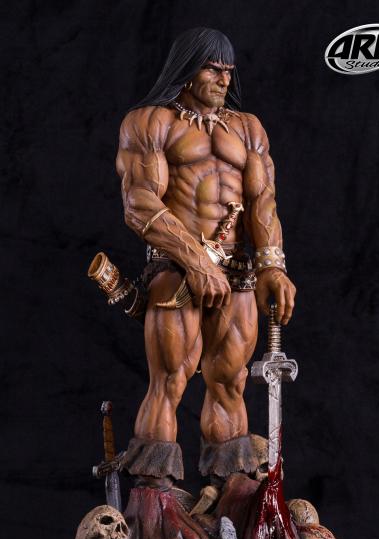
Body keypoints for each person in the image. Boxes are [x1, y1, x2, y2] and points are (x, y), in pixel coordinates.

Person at [116, 27, 296, 489]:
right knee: (170, 380)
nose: (223, 78)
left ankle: (231, 494)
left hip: (237, 272)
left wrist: (272, 266)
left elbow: (263, 203)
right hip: (176, 269)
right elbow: (139, 202)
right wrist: (195, 261)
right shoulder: (151, 122)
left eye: (228, 70)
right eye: (213, 69)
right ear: (187, 69)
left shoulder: (248, 128)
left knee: (231, 382)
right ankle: (154, 502)